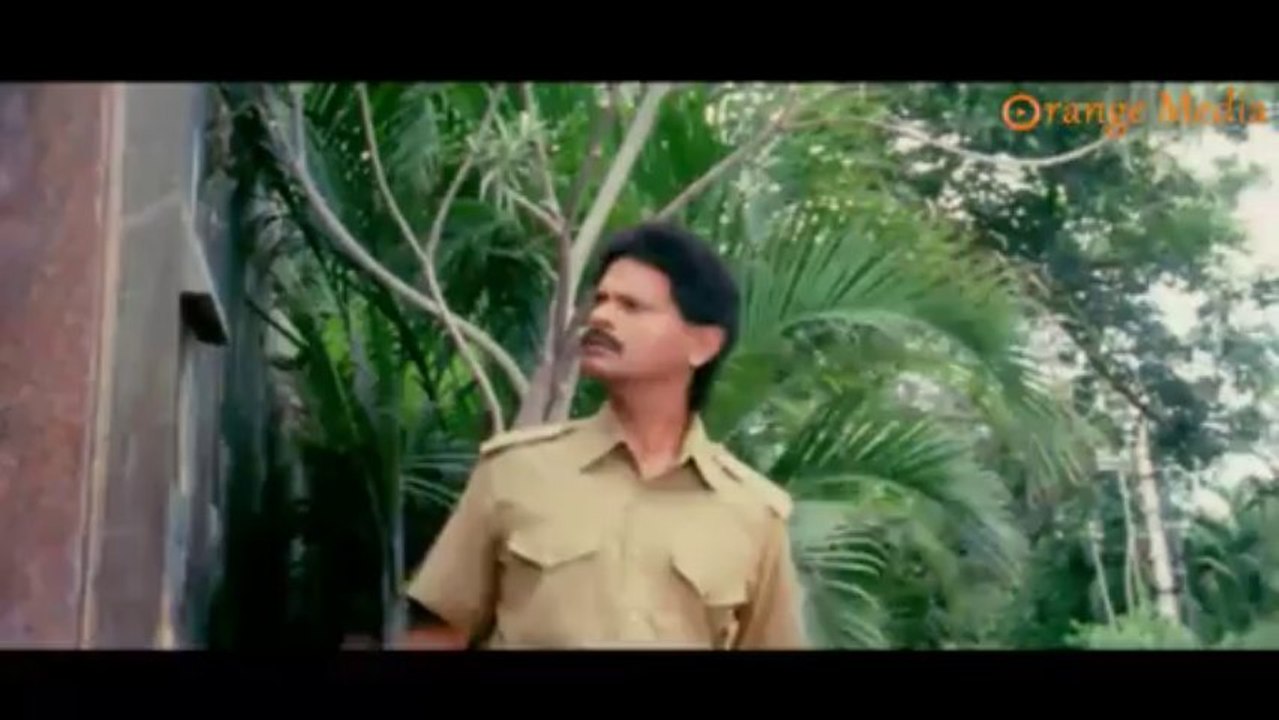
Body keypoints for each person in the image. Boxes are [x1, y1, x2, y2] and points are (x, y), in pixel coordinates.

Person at [401, 222, 807, 650]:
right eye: (601, 300)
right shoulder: (516, 470)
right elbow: (438, 630)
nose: (600, 317)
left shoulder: (754, 515)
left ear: (703, 345)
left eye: (631, 306)